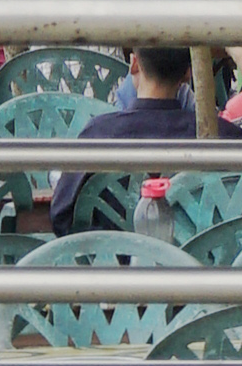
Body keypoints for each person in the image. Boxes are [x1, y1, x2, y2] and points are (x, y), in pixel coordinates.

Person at [53, 42, 199, 230]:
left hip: (109, 256)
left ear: (134, 65)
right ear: (188, 73)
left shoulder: (98, 133)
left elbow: (61, 216)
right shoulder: (219, 137)